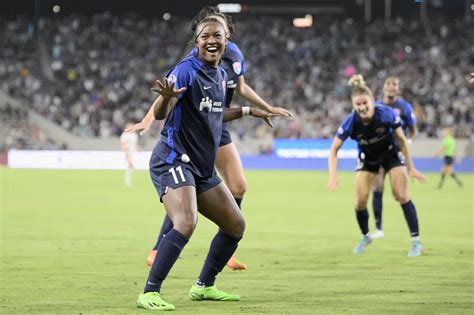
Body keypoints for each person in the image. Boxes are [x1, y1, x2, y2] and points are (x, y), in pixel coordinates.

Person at [127, 6, 292, 270]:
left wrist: (265, 108)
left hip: (219, 119)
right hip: (195, 124)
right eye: (206, 33)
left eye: (219, 31)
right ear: (199, 37)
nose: (212, 38)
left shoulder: (232, 57)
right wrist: (149, 118)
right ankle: (159, 248)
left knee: (238, 186)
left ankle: (227, 240)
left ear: (227, 34)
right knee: (185, 191)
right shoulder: (192, 60)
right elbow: (170, 93)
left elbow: (241, 87)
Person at [327, 75, 426, 257]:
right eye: (357, 105)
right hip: (368, 158)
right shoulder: (351, 122)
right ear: (353, 106)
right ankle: (365, 236)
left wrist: (410, 167)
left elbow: (402, 141)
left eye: (365, 103)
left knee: (401, 195)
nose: (362, 107)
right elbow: (333, 150)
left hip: (390, 154)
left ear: (372, 101)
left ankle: (416, 242)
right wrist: (333, 175)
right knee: (360, 202)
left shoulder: (387, 114)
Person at [371, 77, 417, 239]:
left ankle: (414, 235)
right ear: (383, 87)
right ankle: (378, 228)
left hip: (396, 152)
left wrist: (408, 141)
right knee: (377, 187)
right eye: (388, 84)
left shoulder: (404, 107)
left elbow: (412, 129)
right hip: (377, 152)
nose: (391, 87)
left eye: (394, 85)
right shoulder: (375, 106)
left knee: (400, 194)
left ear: (398, 89)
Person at [120, 123, 139, 188]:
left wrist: (138, 149)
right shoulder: (124, 135)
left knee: (131, 168)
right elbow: (123, 144)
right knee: (128, 166)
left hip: (133, 153)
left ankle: (129, 181)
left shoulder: (134, 135)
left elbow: (135, 144)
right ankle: (127, 182)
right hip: (127, 152)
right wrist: (126, 153)